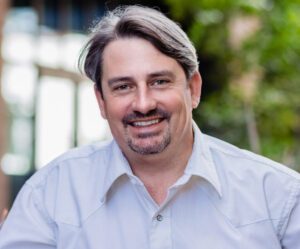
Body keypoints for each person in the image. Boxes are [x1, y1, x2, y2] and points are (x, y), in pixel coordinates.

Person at [0, 5, 299, 249]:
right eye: (123, 86)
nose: (143, 103)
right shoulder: (51, 193)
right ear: (101, 101)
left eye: (159, 81)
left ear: (193, 89)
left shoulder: (278, 197)